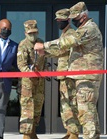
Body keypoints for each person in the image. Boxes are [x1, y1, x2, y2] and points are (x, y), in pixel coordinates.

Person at [34, 2, 104, 139]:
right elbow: (65, 49)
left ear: (83, 16)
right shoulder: (82, 29)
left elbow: (69, 41)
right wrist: (45, 52)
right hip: (81, 76)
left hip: (87, 77)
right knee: (87, 111)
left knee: (86, 111)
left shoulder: (89, 29)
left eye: (75, 18)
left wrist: (44, 45)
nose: (73, 21)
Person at [41, 9, 80, 139]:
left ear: (68, 20)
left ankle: (74, 132)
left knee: (71, 104)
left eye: (61, 21)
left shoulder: (71, 34)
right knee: (65, 104)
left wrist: (44, 50)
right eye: (57, 21)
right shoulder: (64, 34)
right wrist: (45, 53)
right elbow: (59, 52)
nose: (59, 23)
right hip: (63, 75)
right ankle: (70, 131)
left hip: (69, 75)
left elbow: (61, 50)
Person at [17, 20, 46, 139]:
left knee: (38, 106)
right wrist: (31, 72)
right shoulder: (23, 45)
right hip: (27, 82)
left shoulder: (41, 43)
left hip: (39, 81)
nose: (33, 35)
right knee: (27, 108)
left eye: (35, 33)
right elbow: (21, 65)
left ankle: (33, 131)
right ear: (25, 33)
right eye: (30, 33)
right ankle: (26, 134)